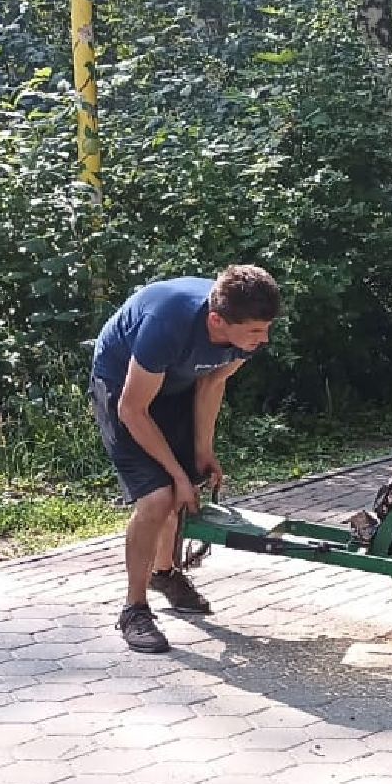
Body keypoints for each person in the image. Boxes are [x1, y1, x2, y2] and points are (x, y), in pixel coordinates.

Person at [89, 266, 281, 653]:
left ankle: (165, 573)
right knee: (159, 496)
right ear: (217, 320)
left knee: (185, 487)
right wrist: (175, 474)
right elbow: (133, 409)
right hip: (123, 391)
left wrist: (202, 452)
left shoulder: (241, 332)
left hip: (174, 385)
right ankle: (134, 609)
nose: (263, 340)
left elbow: (212, 381)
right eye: (255, 332)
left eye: (267, 329)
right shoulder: (168, 323)